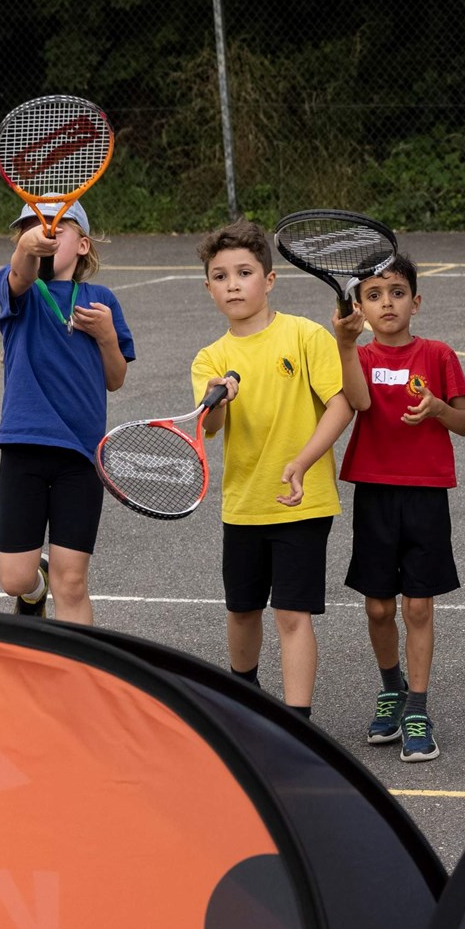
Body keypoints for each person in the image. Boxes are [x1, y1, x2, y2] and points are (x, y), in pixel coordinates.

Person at [191, 218, 356, 718]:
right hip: (243, 505)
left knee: (291, 613)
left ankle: (296, 722)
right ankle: (246, 699)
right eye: (221, 277)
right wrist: (219, 396)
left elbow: (342, 404)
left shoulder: (305, 336)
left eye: (244, 272)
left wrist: (304, 462)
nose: (233, 284)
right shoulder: (209, 359)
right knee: (241, 611)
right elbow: (211, 424)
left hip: (302, 503)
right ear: (209, 289)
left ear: (269, 280)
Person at [333, 255, 465, 762]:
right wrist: (345, 345)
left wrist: (438, 408)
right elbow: (358, 404)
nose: (386, 303)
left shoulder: (438, 354)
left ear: (416, 301)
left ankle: (417, 707)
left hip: (425, 493)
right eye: (373, 295)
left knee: (417, 605)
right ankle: (389, 688)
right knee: (377, 606)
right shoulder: (360, 357)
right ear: (360, 308)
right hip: (374, 490)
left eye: (395, 292)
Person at [0, 199, 134, 625]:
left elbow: (115, 378)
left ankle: (80, 683)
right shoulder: (18, 289)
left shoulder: (101, 300)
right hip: (24, 447)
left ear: (84, 245)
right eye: (33, 228)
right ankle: (34, 589)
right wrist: (27, 248)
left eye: (58, 227)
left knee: (71, 582)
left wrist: (108, 336)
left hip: (81, 456)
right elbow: (20, 271)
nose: (45, 233)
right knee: (15, 580)